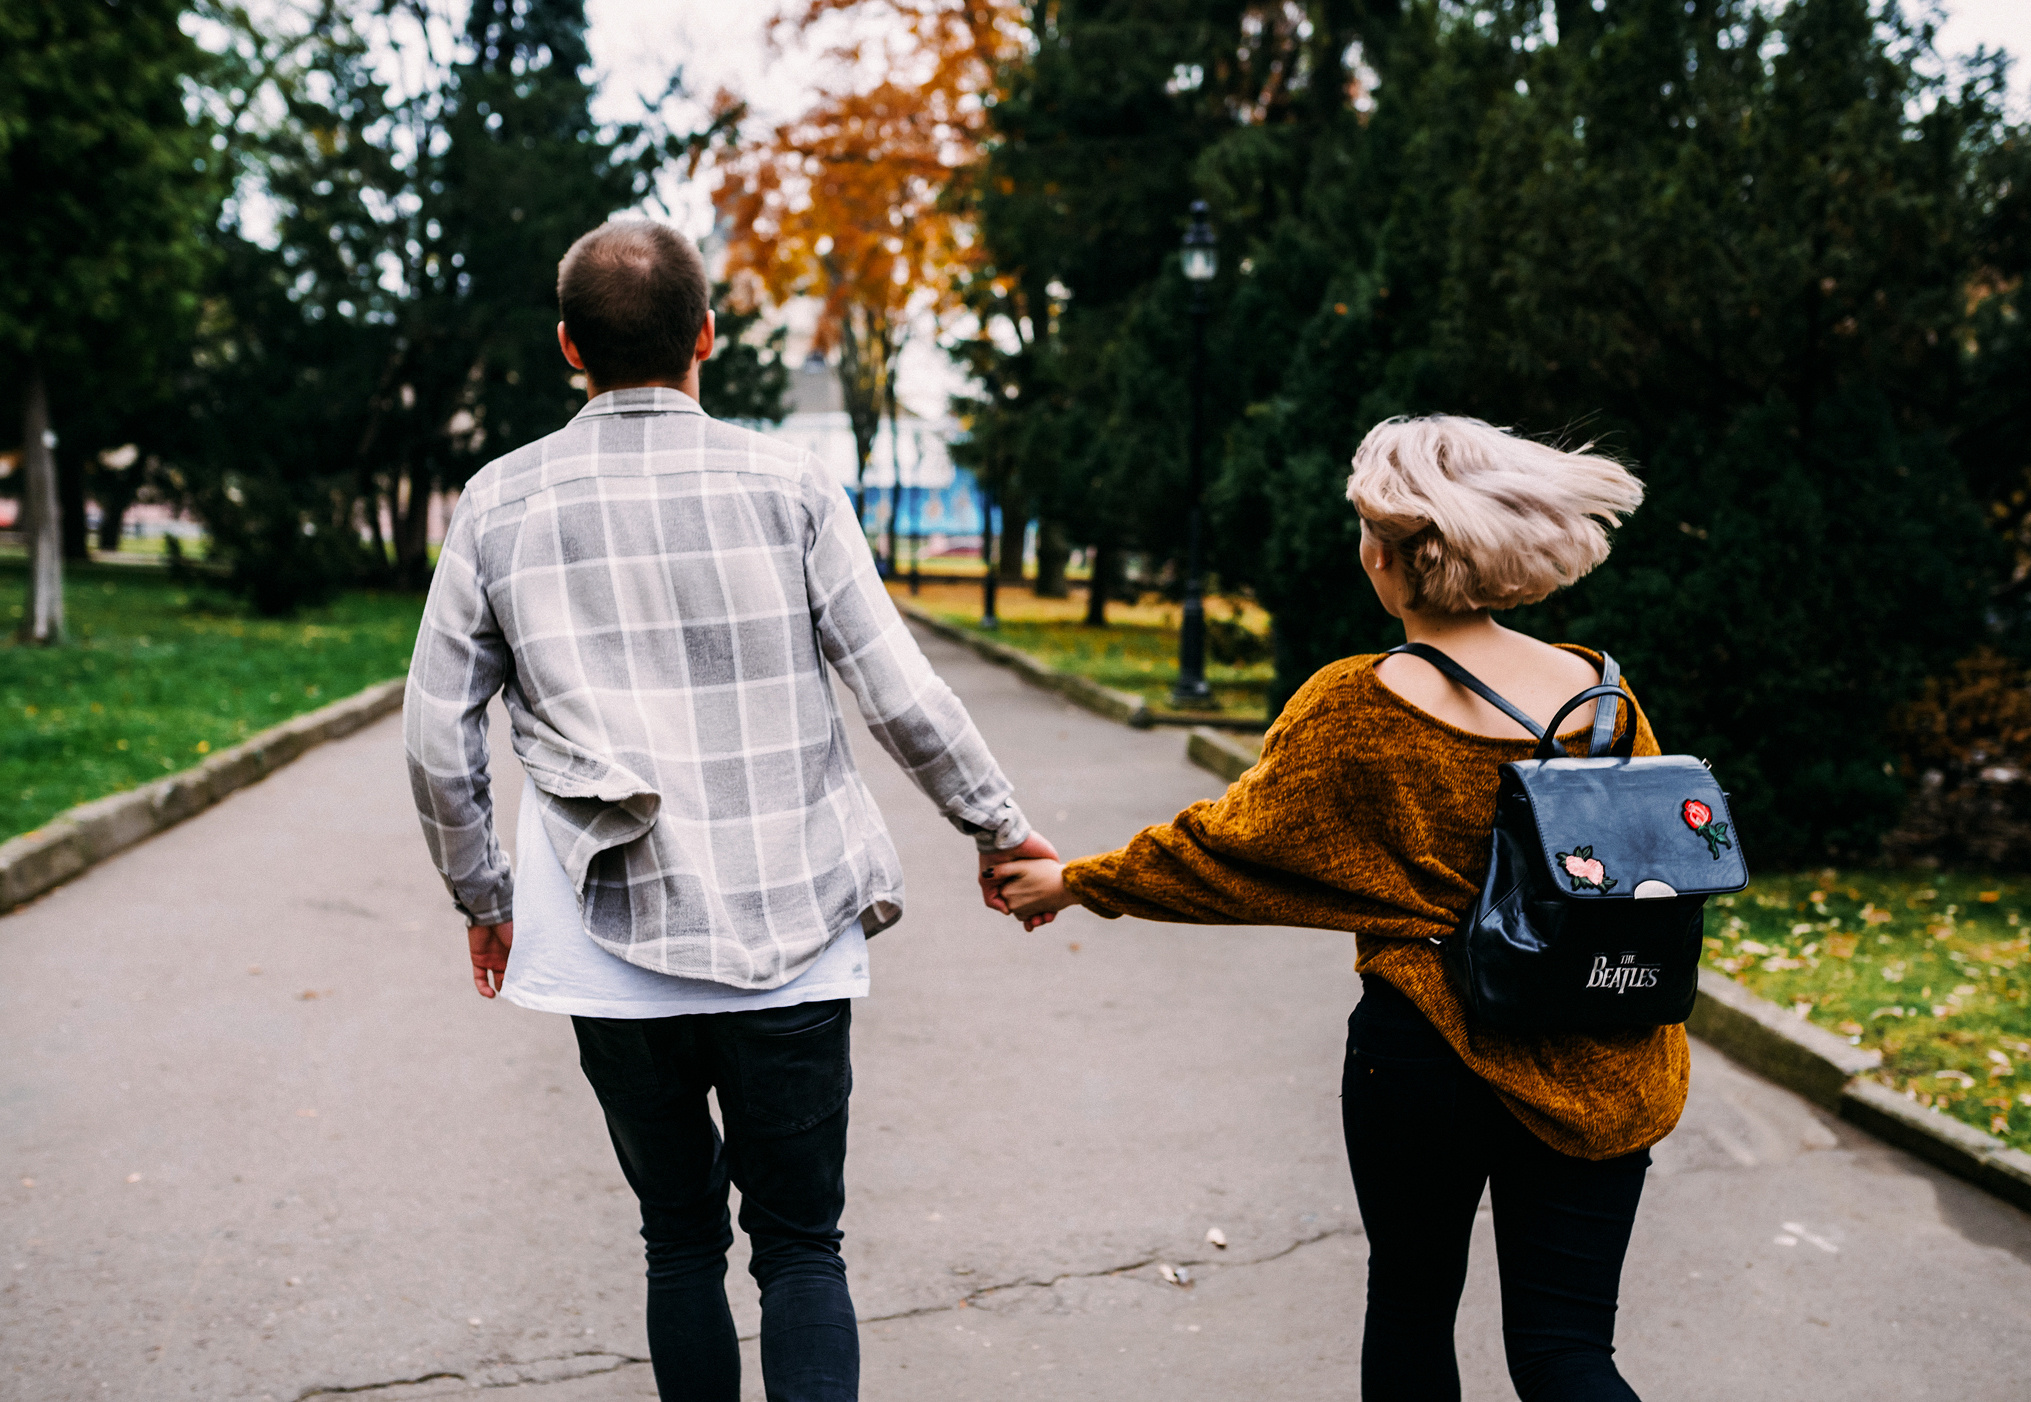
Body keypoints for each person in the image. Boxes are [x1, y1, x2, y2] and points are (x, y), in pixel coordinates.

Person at [403, 219, 1055, 1402]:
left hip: (607, 944)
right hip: (791, 933)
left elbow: (436, 734)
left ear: (569, 348)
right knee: (804, 1246)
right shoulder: (789, 484)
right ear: (706, 335)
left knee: (679, 1240)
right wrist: (998, 827)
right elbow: (896, 689)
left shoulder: (499, 503)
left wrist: (484, 900)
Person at [991, 414, 1675, 1402]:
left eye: (1365, 526)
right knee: (1570, 1352)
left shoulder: (1361, 703)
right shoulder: (1600, 694)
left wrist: (1075, 881)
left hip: (1428, 1056)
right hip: (1597, 1050)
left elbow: (1227, 849)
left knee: (1410, 1305)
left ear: (1395, 557)